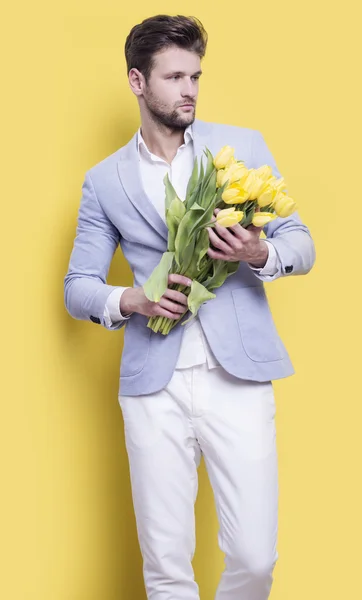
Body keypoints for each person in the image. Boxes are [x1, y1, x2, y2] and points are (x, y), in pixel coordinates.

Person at [64, 14, 316, 600]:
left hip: (239, 374)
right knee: (166, 568)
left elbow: (301, 242)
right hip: (154, 385)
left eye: (196, 77)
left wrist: (260, 252)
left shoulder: (242, 148)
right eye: (175, 77)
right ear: (137, 82)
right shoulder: (105, 182)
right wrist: (132, 297)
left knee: (255, 556)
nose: (189, 91)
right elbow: (78, 284)